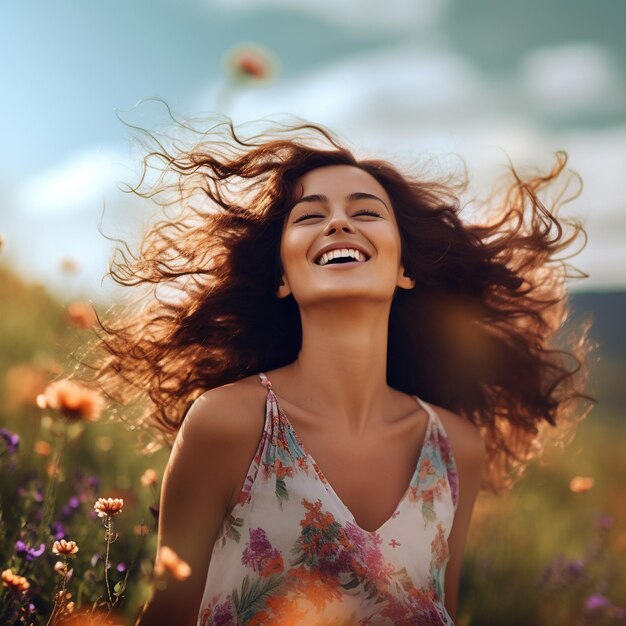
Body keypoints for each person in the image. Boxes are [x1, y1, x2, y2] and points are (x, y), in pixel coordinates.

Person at [94, 120, 591, 625]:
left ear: (405, 269)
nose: (338, 224)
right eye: (310, 216)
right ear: (283, 277)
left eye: (365, 211)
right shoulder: (228, 423)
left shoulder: (456, 447)